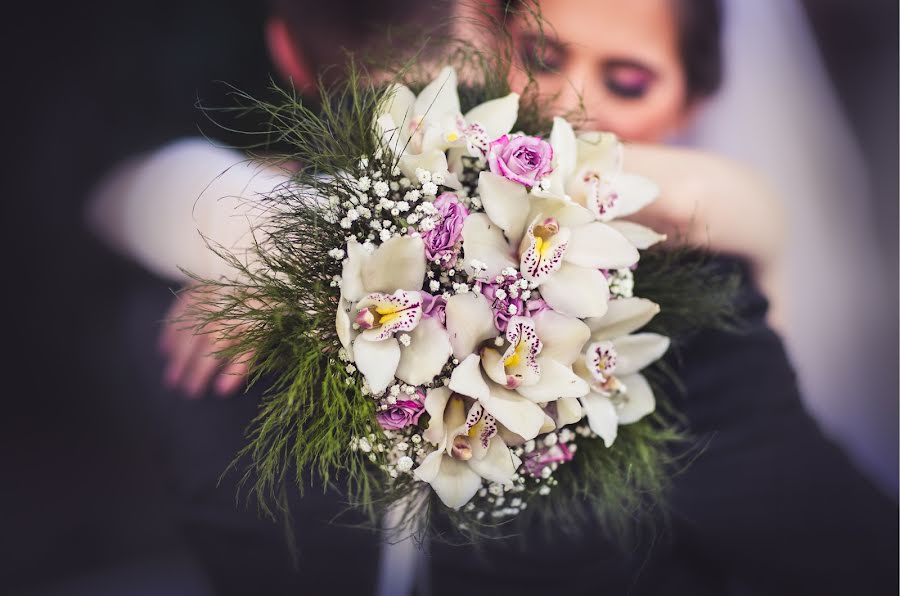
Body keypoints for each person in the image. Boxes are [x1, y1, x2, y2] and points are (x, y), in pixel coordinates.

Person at [87, 0, 897, 593]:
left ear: (692, 105)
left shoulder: (699, 316)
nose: (570, 109)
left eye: (627, 78)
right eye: (542, 60)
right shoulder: (245, 247)